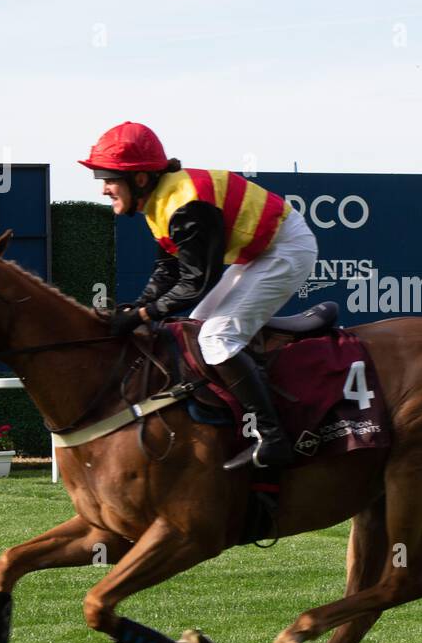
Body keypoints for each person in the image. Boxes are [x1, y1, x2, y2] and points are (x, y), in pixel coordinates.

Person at [79, 122, 318, 470]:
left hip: (286, 249)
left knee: (217, 338)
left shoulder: (185, 204)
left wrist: (142, 316)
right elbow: (168, 270)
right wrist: (138, 306)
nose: (104, 190)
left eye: (109, 179)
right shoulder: (159, 200)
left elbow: (194, 284)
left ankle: (274, 438)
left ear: (140, 178)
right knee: (196, 329)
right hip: (258, 253)